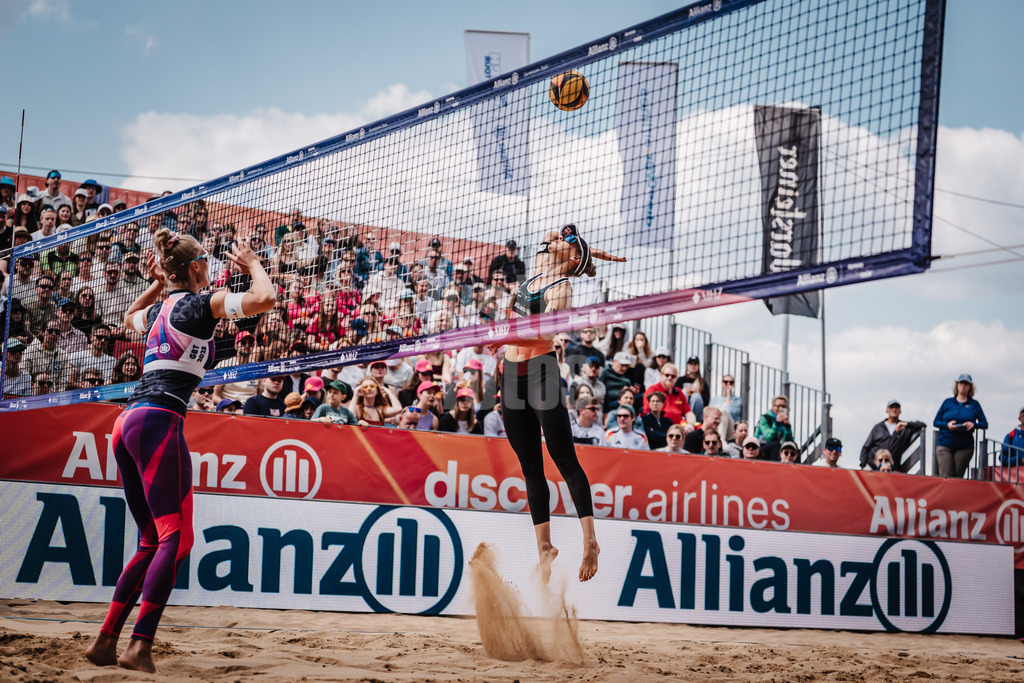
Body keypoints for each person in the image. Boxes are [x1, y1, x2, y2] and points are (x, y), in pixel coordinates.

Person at [85, 228, 275, 673]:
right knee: (176, 538)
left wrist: (157, 282)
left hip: (126, 422)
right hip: (157, 420)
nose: (209, 269)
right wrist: (252, 266)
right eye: (206, 262)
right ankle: (139, 647)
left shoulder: (156, 314)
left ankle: (105, 642)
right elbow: (264, 300)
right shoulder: (200, 302)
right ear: (194, 267)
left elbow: (129, 314)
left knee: (153, 539)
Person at [498, 223, 624, 583]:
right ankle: (545, 548)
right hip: (510, 374)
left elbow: (543, 331)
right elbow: (552, 232)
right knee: (530, 468)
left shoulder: (562, 288)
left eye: (562, 242)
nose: (552, 240)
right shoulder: (537, 268)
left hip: (540, 372)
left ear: (569, 258)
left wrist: (582, 252)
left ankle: (590, 541)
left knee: (564, 459)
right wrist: (582, 246)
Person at [933, 373, 988, 478]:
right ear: (957, 385)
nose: (963, 386)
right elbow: (936, 422)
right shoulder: (947, 402)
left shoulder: (974, 404)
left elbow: (984, 424)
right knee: (946, 476)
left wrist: (974, 424)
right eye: (961, 383)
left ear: (970, 387)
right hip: (945, 443)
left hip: (965, 446)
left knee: (957, 477)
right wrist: (947, 425)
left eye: (966, 384)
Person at [860, 400, 926, 471]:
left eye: (897, 407)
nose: (894, 409)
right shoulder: (878, 427)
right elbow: (866, 447)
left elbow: (922, 425)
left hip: (891, 468)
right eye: (892, 407)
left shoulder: (905, 429)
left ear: (900, 411)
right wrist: (864, 464)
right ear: (887, 410)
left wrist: (907, 424)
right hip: (873, 467)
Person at [755, 395, 794, 461]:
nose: (781, 408)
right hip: (762, 447)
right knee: (775, 445)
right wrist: (776, 423)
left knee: (793, 448)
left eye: (783, 406)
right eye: (778, 406)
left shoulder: (784, 420)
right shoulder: (764, 418)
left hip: (777, 448)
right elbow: (769, 438)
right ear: (773, 407)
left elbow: (789, 441)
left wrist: (788, 427)